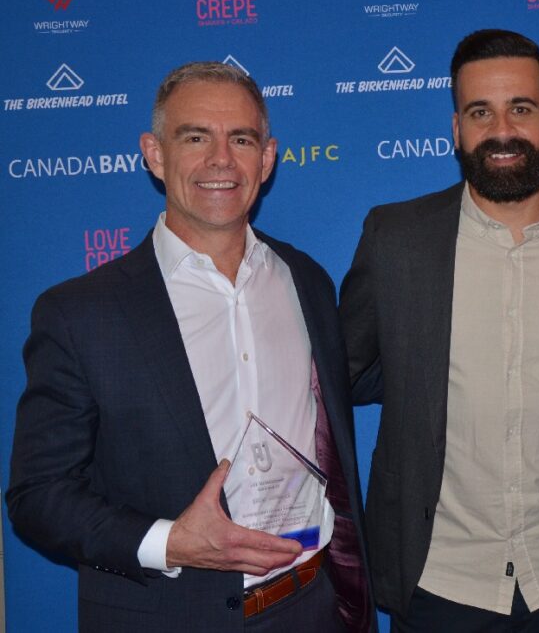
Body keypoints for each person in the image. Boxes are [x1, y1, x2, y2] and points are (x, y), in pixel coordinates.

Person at [7, 62, 374, 632]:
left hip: (313, 607)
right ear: (154, 154)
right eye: (195, 137)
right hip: (169, 617)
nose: (221, 160)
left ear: (268, 157)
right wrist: (171, 542)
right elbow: (37, 497)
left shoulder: (307, 280)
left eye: (242, 139)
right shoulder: (80, 313)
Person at [339, 29, 539, 633]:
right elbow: (340, 376)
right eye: (480, 111)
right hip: (436, 577)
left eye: (522, 108)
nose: (502, 129)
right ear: (456, 128)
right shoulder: (395, 240)